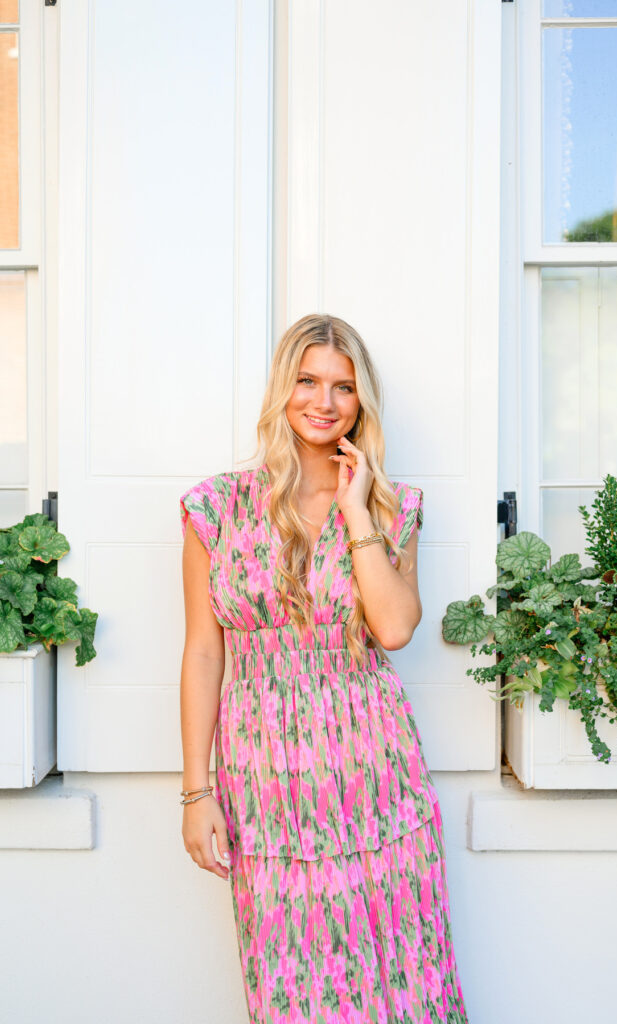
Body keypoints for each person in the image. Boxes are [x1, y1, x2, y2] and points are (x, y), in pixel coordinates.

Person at [179, 313, 470, 1023]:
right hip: (265, 784)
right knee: (293, 985)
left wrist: (355, 506)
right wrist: (196, 791)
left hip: (375, 775)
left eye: (342, 387)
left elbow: (396, 628)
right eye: (307, 381)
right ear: (284, 390)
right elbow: (204, 650)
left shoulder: (392, 507)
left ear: (361, 402)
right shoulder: (214, 509)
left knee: (403, 977)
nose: (324, 401)